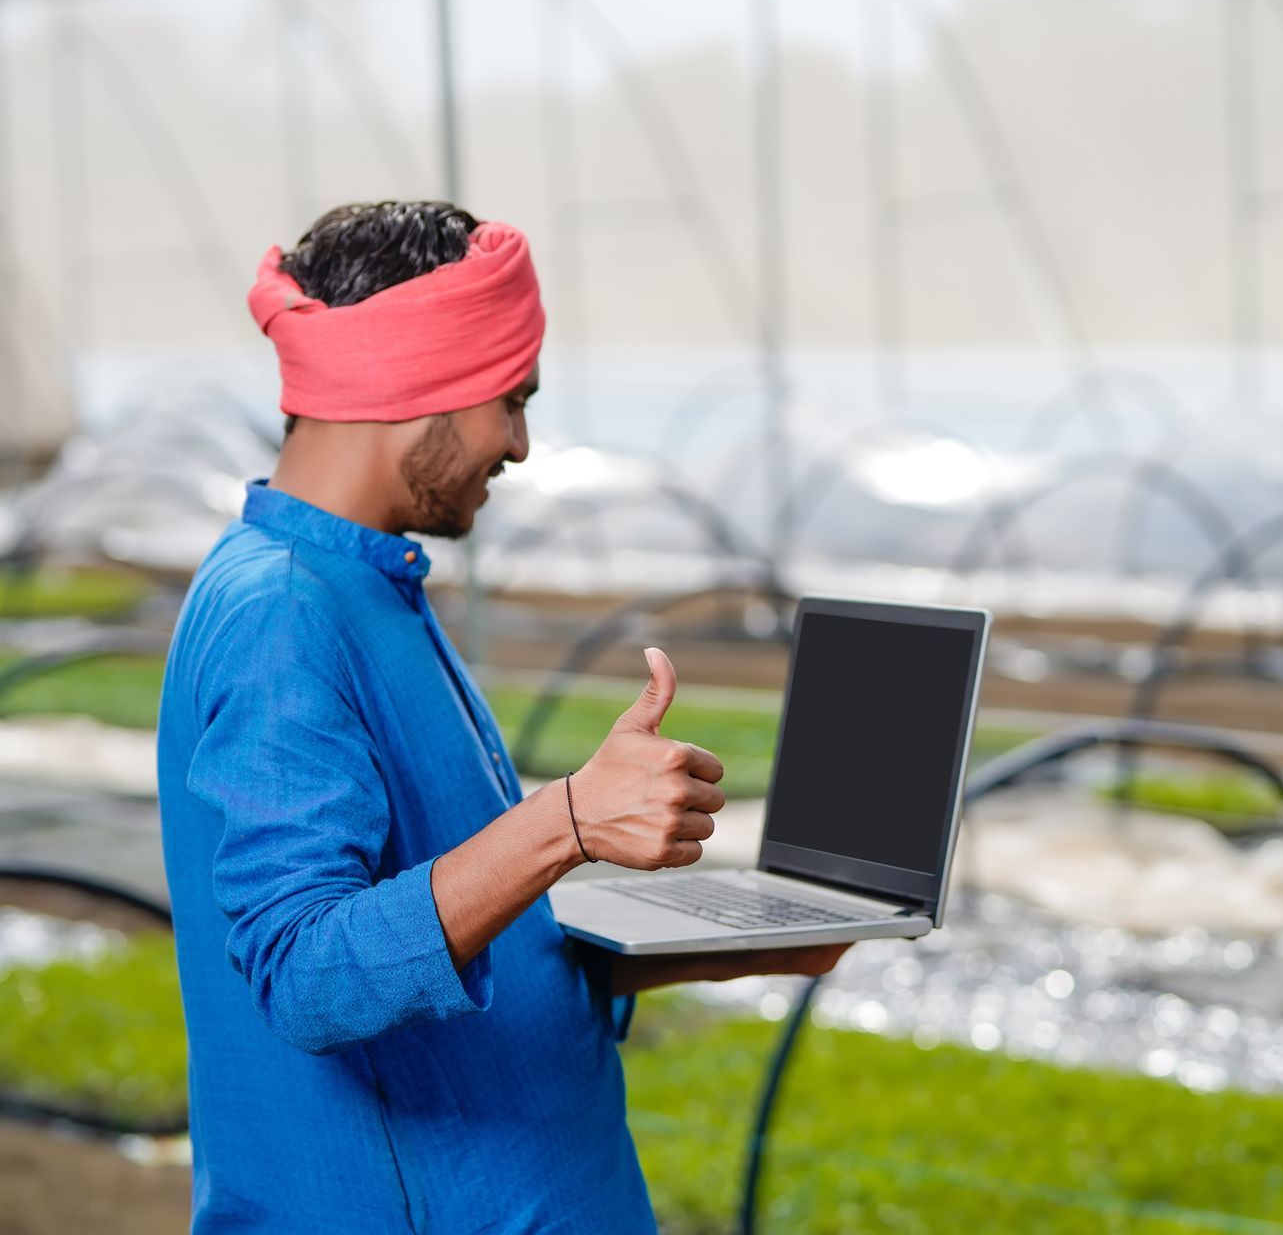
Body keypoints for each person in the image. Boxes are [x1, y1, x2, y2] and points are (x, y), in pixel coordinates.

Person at [155, 200, 844, 1233]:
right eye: (508, 399)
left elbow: (463, 927)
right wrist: (564, 819)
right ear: (411, 382)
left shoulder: (367, 583)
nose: (518, 444)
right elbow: (307, 971)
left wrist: (751, 939)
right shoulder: (284, 612)